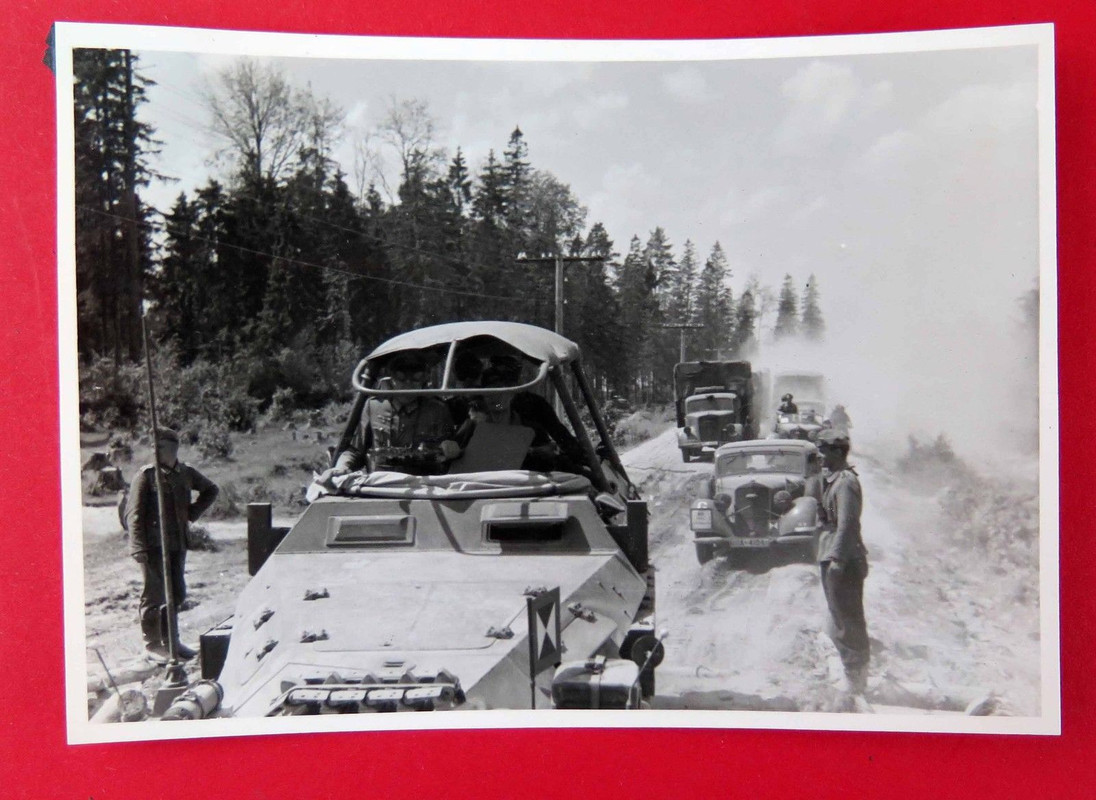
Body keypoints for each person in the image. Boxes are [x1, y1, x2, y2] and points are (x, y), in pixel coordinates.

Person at [126, 427, 219, 664]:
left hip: (177, 543)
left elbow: (211, 490)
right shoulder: (146, 476)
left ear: (173, 448)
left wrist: (191, 513)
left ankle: (172, 641)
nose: (155, 451)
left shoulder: (185, 473)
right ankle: (153, 644)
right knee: (154, 594)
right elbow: (133, 515)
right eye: (153, 447)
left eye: (160, 447)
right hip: (153, 546)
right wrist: (137, 547)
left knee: (176, 592)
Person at [332, 352, 460, 474]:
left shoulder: (437, 409)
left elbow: (451, 452)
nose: (408, 384)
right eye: (401, 378)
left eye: (415, 378)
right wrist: (342, 466)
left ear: (424, 379)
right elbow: (356, 450)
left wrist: (450, 448)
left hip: (424, 484)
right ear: (392, 378)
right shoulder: (374, 406)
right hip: (382, 483)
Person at [456, 356, 587, 473]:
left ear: (513, 392)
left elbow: (550, 455)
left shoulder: (530, 426)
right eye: (489, 392)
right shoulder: (472, 425)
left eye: (501, 390)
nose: (494, 398)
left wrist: (545, 452)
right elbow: (452, 456)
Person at [814, 428, 870, 695]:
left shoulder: (846, 481)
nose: (820, 456)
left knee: (848, 620)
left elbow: (847, 523)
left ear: (837, 452)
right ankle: (848, 675)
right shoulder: (833, 480)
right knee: (839, 616)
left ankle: (856, 679)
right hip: (833, 554)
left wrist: (837, 558)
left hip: (843, 558)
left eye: (823, 451)